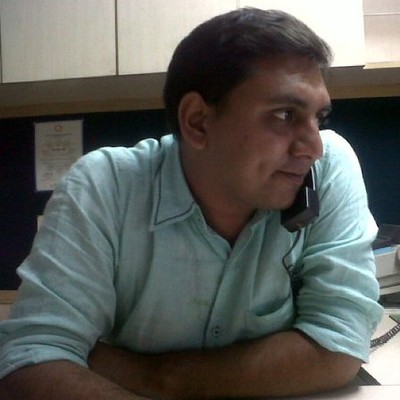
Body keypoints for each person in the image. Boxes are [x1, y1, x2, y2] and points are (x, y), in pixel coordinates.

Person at [0, 7, 382, 400]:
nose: (313, 147)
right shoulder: (105, 187)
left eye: (319, 118)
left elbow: (339, 345)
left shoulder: (327, 169)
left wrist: (158, 379)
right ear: (197, 121)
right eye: (285, 115)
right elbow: (32, 357)